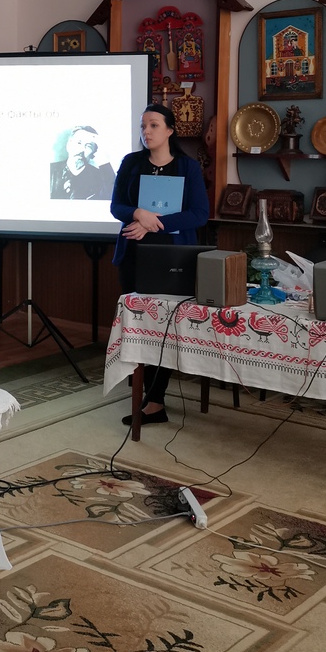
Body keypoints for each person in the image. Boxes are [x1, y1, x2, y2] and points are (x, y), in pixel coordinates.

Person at [110, 103, 209, 424]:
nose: (146, 131)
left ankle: (155, 400)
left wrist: (153, 223)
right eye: (143, 125)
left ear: (169, 130)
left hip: (172, 257)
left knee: (162, 326)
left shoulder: (187, 167)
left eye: (153, 125)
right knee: (138, 326)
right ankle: (144, 391)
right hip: (134, 255)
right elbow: (116, 206)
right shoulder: (131, 163)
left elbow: (199, 214)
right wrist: (138, 213)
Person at [49, 126, 116, 200]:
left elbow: (113, 195)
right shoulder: (50, 170)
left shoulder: (100, 179)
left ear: (94, 152)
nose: (81, 149)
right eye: (79, 143)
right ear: (69, 144)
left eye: (88, 146)